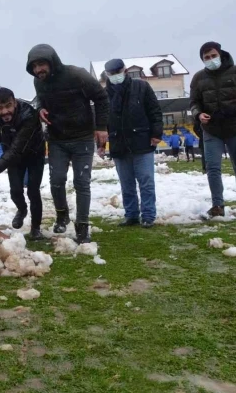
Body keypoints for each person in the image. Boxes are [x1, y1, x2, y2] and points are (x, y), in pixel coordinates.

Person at [27, 44, 109, 244]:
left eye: (42, 64)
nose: (39, 70)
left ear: (52, 61)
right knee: (57, 179)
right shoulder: (39, 83)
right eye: (34, 67)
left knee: (82, 182)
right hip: (57, 139)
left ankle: (82, 226)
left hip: (82, 138)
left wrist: (102, 127)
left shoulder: (77, 75)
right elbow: (40, 100)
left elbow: (101, 97)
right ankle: (62, 215)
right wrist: (40, 109)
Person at [190, 41, 236, 217]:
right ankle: (217, 206)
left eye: (213, 55)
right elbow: (194, 102)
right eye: (206, 57)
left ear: (220, 54)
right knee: (213, 168)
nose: (210, 59)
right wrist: (198, 114)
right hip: (212, 129)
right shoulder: (198, 78)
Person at [103, 59, 163, 228]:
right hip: (118, 143)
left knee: (146, 180)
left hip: (141, 141)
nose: (115, 76)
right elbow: (101, 120)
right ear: (107, 75)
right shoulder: (105, 94)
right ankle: (131, 215)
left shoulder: (141, 87)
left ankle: (148, 215)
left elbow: (154, 111)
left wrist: (156, 133)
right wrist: (101, 143)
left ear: (125, 70)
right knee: (126, 183)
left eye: (117, 72)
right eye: (111, 74)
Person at [0, 88, 46, 239]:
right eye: (0, 108)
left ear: (15, 103)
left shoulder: (29, 115)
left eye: (8, 106)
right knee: (15, 191)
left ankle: (36, 228)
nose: (4, 112)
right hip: (12, 153)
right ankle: (22, 210)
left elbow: (18, 149)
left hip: (34, 154)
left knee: (33, 191)